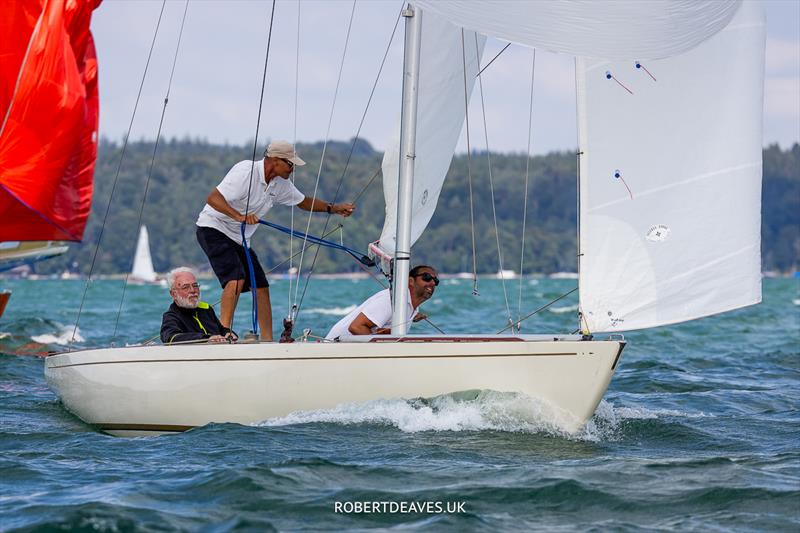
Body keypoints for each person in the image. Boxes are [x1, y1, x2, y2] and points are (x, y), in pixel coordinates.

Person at [196, 140, 354, 341]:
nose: (293, 169)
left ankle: (268, 341)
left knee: (261, 287)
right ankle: (223, 333)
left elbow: (303, 202)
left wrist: (334, 208)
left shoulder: (281, 184)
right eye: (290, 164)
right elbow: (213, 198)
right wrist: (239, 216)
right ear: (275, 160)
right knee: (236, 278)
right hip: (213, 227)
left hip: (240, 238)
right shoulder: (245, 171)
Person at [326, 265, 439, 340]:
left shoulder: (412, 308)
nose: (432, 283)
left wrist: (411, 317)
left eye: (436, 281)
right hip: (334, 350)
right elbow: (356, 327)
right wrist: (381, 353)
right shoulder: (391, 300)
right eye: (427, 277)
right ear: (410, 281)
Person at [160, 267, 235, 344]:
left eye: (195, 285)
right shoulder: (171, 316)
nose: (192, 290)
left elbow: (221, 330)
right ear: (174, 294)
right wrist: (207, 339)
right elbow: (171, 338)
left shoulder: (206, 309)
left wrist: (228, 333)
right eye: (186, 287)